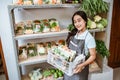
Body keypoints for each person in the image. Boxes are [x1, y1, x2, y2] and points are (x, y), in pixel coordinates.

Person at [63, 11, 96, 80]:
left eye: (79, 21)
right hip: (69, 67)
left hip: (80, 70)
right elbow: (69, 47)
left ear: (85, 21)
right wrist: (66, 50)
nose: (77, 24)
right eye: (75, 22)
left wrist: (82, 65)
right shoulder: (74, 33)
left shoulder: (89, 38)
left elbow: (93, 56)